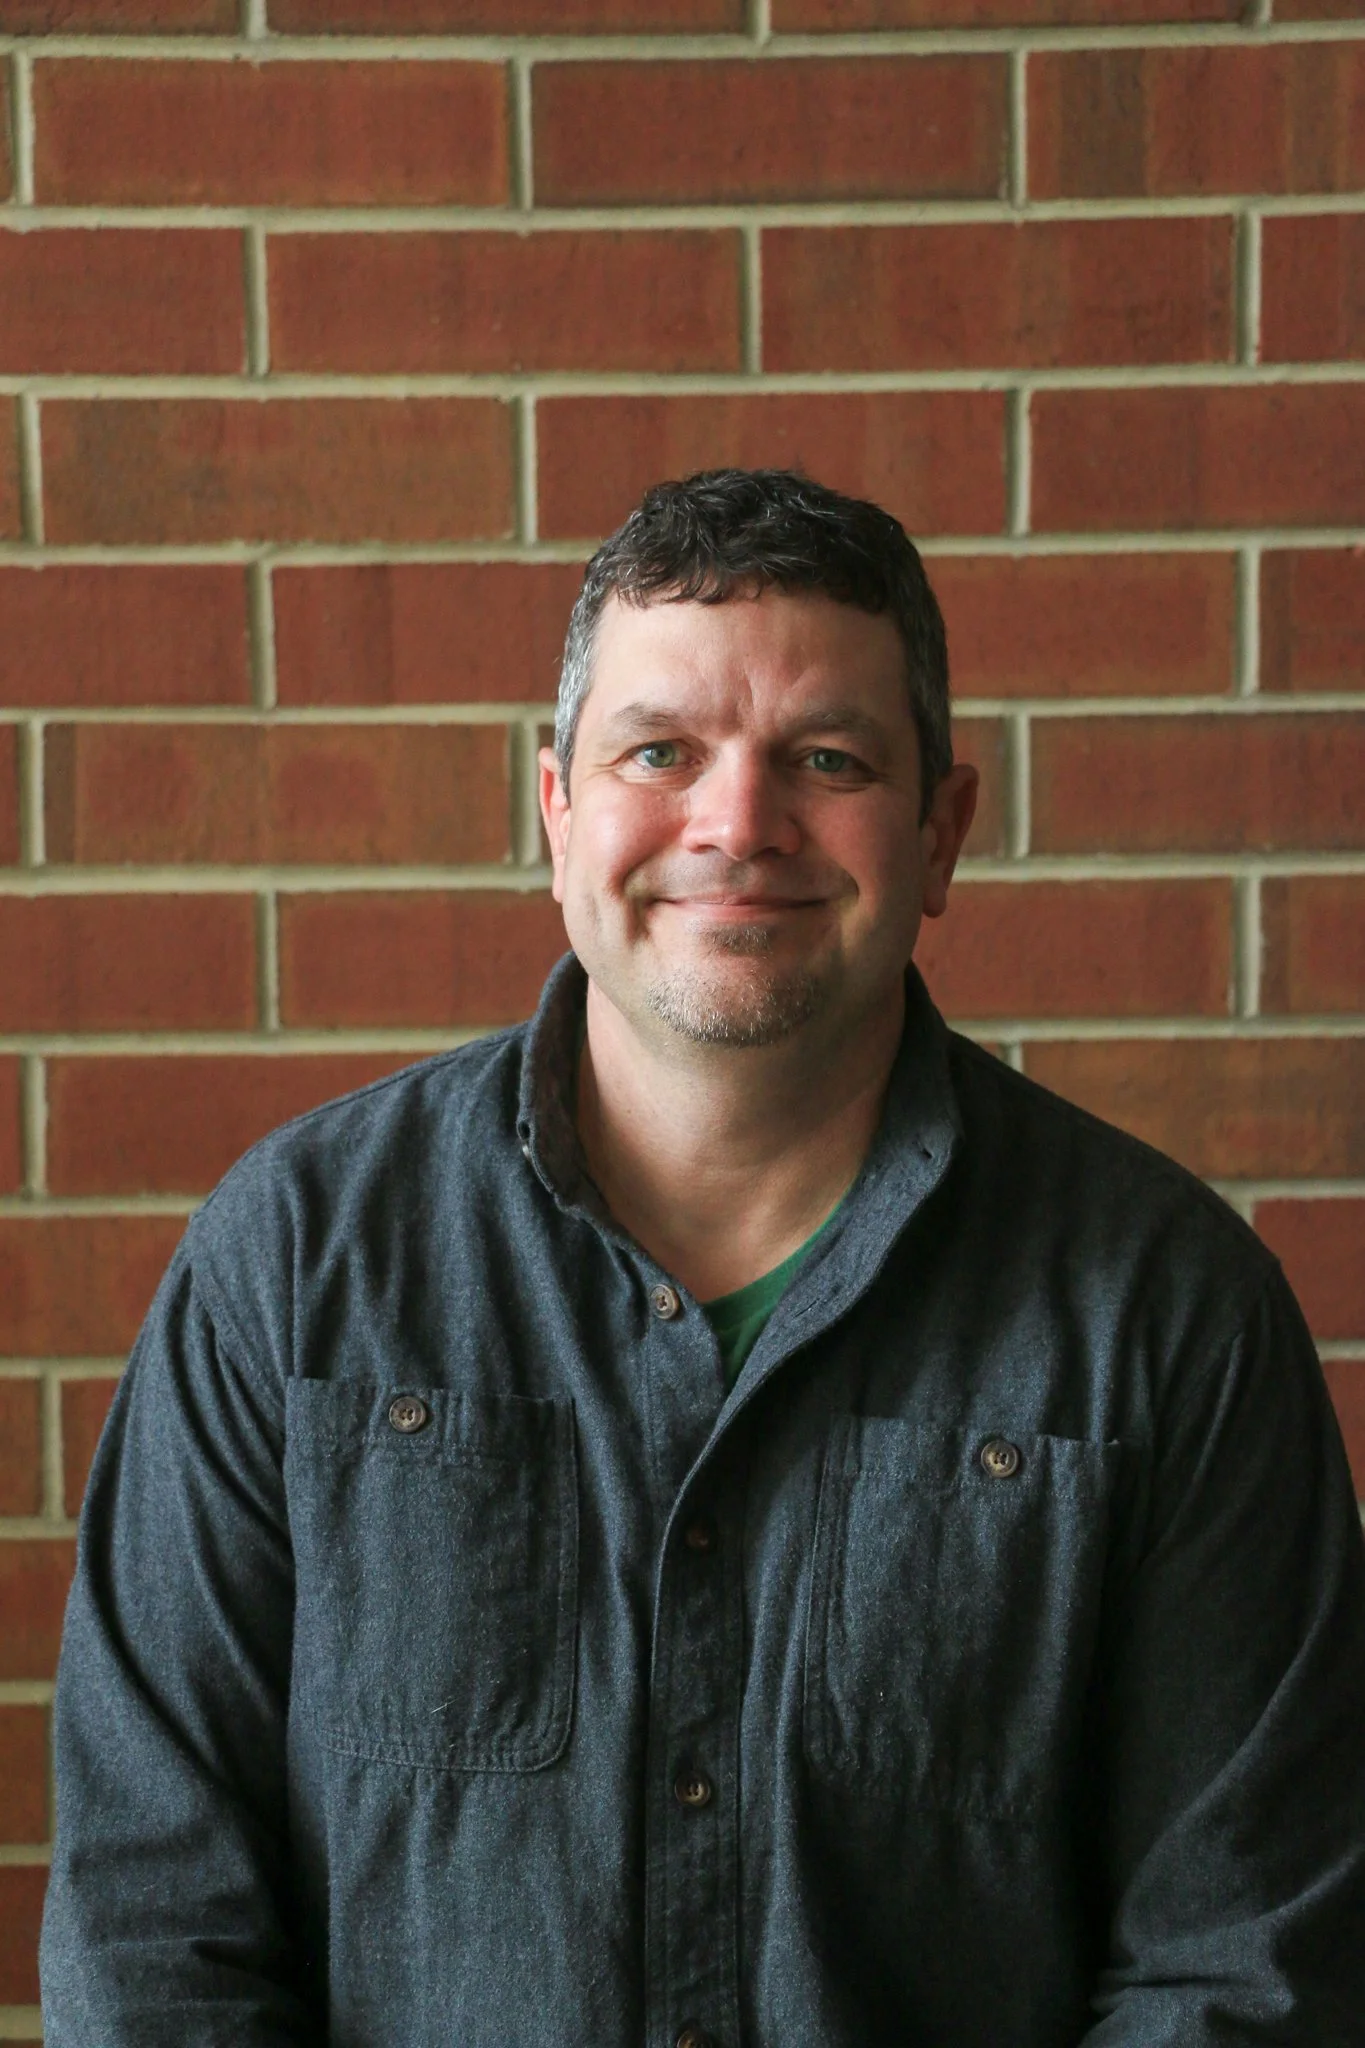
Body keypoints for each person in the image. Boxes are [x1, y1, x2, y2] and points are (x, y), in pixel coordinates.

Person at [40, 469, 1365, 2047]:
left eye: (827, 758)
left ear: (943, 830)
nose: (738, 824)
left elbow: (1243, 1969)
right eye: (661, 752)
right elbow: (152, 1929)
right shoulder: (296, 1266)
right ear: (557, 816)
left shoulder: (1167, 1313)